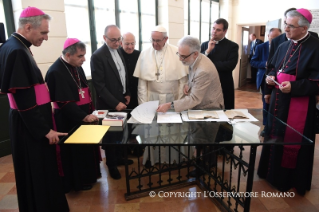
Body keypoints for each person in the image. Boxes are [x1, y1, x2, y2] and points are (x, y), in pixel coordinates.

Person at [0, 7, 69, 211]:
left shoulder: (11, 46)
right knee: (38, 170)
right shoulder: (17, 51)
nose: (47, 38)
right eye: (44, 33)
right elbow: (24, 100)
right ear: (28, 27)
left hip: (25, 121)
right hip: (30, 125)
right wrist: (45, 131)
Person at [257, 8, 319, 195]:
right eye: (285, 24)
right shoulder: (284, 45)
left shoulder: (316, 47)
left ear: (304, 27)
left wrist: (295, 87)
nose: (286, 29)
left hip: (299, 105)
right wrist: (270, 79)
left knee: (292, 141)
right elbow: (273, 68)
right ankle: (270, 174)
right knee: (275, 136)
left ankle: (289, 180)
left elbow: (317, 81)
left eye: (290, 26)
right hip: (278, 101)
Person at [45, 38, 101, 192]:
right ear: (68, 55)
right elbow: (63, 103)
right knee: (74, 152)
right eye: (80, 56)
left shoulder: (76, 66)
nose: (84, 59)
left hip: (84, 114)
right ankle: (77, 182)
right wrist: (84, 116)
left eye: (84, 55)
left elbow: (83, 90)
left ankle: (90, 176)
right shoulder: (56, 71)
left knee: (86, 149)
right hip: (67, 120)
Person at [91, 25, 132, 180]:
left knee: (120, 133)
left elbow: (123, 75)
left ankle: (119, 158)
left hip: (121, 100)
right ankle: (112, 165)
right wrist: (115, 103)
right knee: (110, 136)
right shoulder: (98, 56)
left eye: (119, 39)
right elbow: (99, 86)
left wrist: (127, 93)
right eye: (113, 40)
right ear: (104, 38)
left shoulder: (118, 51)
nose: (117, 43)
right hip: (109, 104)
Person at [157, 35, 224, 113]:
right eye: (179, 54)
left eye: (183, 56)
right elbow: (194, 76)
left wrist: (169, 105)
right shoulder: (195, 58)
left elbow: (194, 99)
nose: (180, 59)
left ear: (195, 54)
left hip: (209, 109)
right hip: (201, 106)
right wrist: (188, 84)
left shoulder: (204, 71)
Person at [133, 25, 188, 105]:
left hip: (172, 99)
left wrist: (179, 104)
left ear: (166, 39)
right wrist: (143, 106)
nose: (155, 43)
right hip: (151, 99)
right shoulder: (144, 53)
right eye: (152, 40)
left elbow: (183, 82)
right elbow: (142, 85)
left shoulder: (177, 52)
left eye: (158, 40)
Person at [200, 18, 239, 109]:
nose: (214, 32)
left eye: (218, 30)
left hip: (224, 83)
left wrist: (209, 65)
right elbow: (199, 63)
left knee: (226, 110)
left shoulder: (232, 46)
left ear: (225, 31)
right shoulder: (205, 45)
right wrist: (208, 51)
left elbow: (230, 65)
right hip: (207, 84)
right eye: (213, 28)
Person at [250, 28, 282, 136]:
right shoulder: (260, 47)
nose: (274, 41)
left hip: (279, 80)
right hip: (265, 78)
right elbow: (253, 62)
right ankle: (266, 126)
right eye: (272, 38)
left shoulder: (283, 46)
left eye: (277, 38)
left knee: (278, 103)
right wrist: (265, 64)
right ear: (268, 36)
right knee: (266, 102)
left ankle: (276, 126)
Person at [119, 32, 140, 109]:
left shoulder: (140, 54)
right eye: (127, 44)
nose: (130, 47)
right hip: (122, 94)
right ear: (121, 43)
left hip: (137, 92)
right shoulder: (117, 54)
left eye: (132, 43)